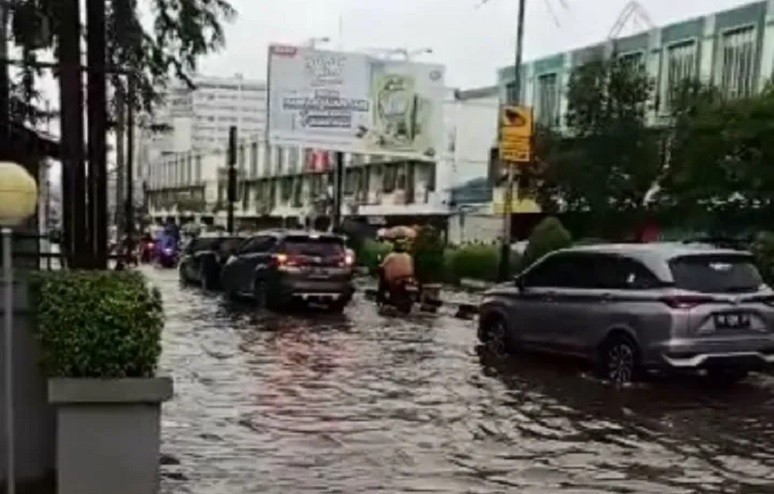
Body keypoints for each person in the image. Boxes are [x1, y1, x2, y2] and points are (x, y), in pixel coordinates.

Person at [376, 238, 415, 304]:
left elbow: (382, 265)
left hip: (394, 279)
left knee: (382, 283)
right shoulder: (408, 256)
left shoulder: (391, 256)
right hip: (408, 278)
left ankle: (380, 299)